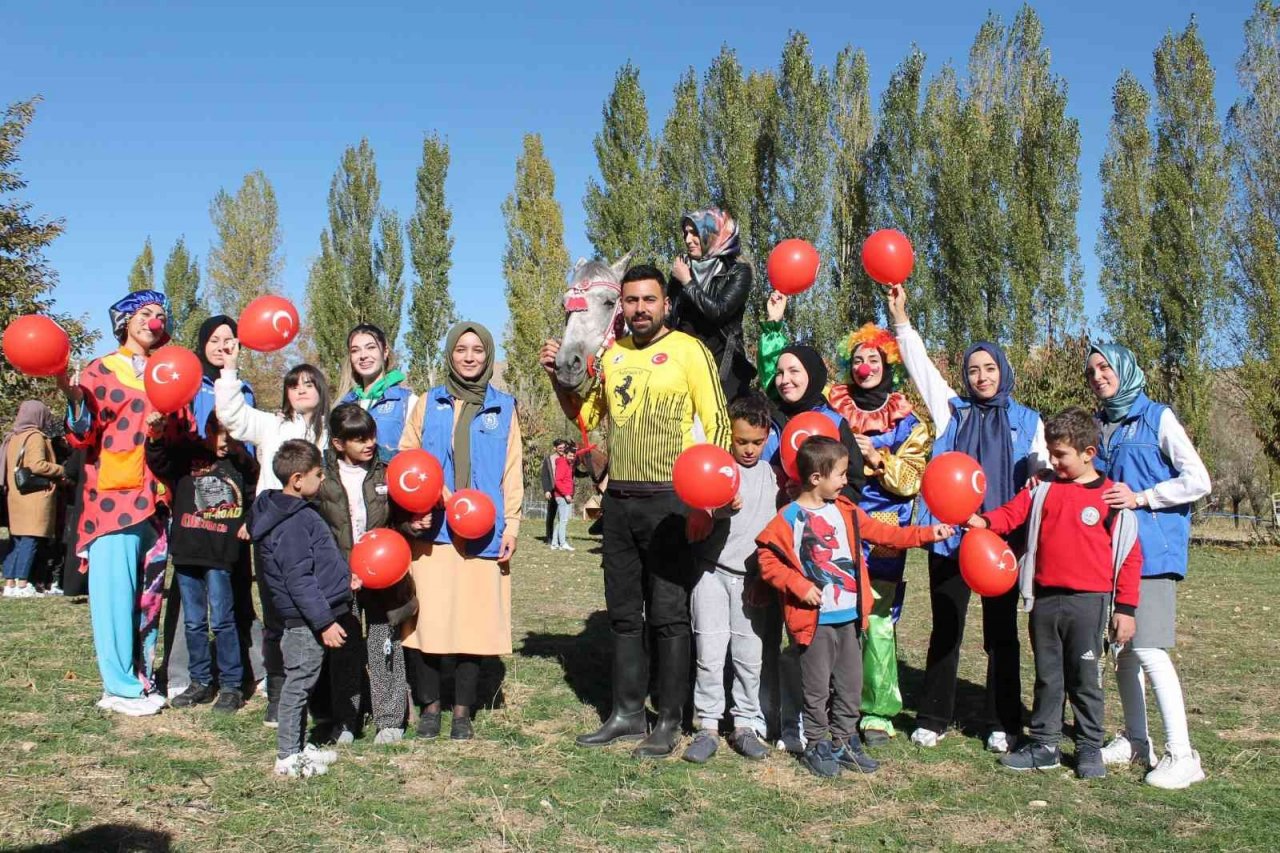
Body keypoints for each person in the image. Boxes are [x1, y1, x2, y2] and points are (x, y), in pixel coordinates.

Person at [541, 264, 731, 759]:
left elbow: (718, 426)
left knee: (668, 615)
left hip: (672, 502)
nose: (640, 309)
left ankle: (668, 719)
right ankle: (627, 714)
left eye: (649, 300)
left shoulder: (691, 351)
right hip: (619, 502)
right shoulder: (614, 357)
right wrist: (559, 382)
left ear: (665, 303)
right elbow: (587, 417)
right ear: (620, 308)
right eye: (631, 301)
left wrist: (708, 503)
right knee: (625, 616)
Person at [887, 284, 1047, 753]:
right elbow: (920, 368)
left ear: (1004, 372)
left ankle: (1003, 721)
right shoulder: (950, 410)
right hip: (950, 539)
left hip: (1001, 540)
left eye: (989, 368)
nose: (981, 377)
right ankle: (934, 716)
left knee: (1001, 634)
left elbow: (1041, 470)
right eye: (974, 369)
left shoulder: (1028, 420)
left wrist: (1041, 480)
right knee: (947, 627)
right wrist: (900, 319)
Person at [757, 436, 953, 778]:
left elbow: (886, 535)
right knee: (816, 688)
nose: (847, 481)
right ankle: (817, 743)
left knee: (850, 683)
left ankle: (844, 741)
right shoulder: (788, 518)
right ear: (816, 478)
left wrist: (926, 534)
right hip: (814, 622)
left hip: (849, 618)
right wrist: (800, 586)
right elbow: (768, 561)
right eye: (842, 475)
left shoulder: (846, 512)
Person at [967, 407, 1142, 779]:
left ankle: (1088, 747)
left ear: (1088, 453)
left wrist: (1125, 608)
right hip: (1044, 601)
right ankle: (1044, 744)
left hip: (1089, 604)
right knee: (1048, 676)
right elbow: (1011, 515)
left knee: (1085, 678)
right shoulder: (1042, 489)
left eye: (1060, 454)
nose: (1053, 461)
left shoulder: (1111, 500)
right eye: (1050, 452)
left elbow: (1129, 556)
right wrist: (983, 522)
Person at [1086, 344, 1211, 789]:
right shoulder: (1101, 426)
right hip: (1113, 555)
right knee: (1123, 651)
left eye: (1105, 368)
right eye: (1092, 371)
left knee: (1150, 649)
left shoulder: (1159, 417)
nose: (1098, 376)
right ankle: (1138, 741)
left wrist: (1143, 498)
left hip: (1153, 554)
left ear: (1125, 370)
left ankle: (1183, 753)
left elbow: (1198, 479)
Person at [57, 289, 187, 716]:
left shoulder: (169, 372)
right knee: (114, 594)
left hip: (156, 497)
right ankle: (118, 686)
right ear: (125, 322)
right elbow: (81, 436)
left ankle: (142, 676)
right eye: (145, 313)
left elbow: (179, 435)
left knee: (147, 595)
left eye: (160, 315)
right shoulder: (100, 370)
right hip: (112, 497)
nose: (155, 321)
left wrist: (161, 431)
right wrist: (74, 399)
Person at [399, 321, 522, 741]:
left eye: (477, 350)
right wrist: (423, 501)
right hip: (433, 533)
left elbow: (512, 471)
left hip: (484, 533)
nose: (469, 357)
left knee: (474, 623)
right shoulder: (428, 402)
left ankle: (463, 712)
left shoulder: (504, 407)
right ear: (449, 353)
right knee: (427, 623)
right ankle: (430, 707)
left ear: (488, 356)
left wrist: (514, 524)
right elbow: (405, 457)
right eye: (461, 349)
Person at [827, 324, 932, 745]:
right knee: (835, 613)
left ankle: (877, 711)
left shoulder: (908, 420)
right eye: (857, 360)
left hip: (886, 530)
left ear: (888, 364)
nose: (864, 367)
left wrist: (879, 456)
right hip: (837, 522)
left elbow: (912, 480)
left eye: (873, 359)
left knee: (878, 619)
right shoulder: (833, 409)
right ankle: (835, 699)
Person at [216, 347, 331, 727]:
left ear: (322, 390)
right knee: (279, 617)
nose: (301, 390)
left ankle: (319, 695)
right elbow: (231, 417)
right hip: (275, 536)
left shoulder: (331, 430)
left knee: (320, 612)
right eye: (293, 384)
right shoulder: (271, 425)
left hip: (321, 531)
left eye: (309, 383)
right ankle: (279, 693)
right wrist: (230, 369)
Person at [162, 314, 261, 702]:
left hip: (228, 517)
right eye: (215, 339)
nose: (223, 345)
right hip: (190, 514)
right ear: (202, 343)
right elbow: (168, 448)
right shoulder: (186, 385)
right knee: (191, 611)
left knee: (231, 601)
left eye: (230, 340)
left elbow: (248, 454)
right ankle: (189, 676)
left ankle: (238, 677)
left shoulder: (244, 389)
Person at [682, 393, 776, 764]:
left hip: (751, 582)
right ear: (729, 436)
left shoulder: (772, 478)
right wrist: (716, 512)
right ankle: (706, 725)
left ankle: (745, 724)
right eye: (741, 441)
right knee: (709, 652)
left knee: (749, 657)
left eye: (757, 442)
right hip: (711, 575)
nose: (749, 450)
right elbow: (695, 528)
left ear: (767, 437)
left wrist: (766, 577)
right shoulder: (713, 472)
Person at [315, 404, 417, 745]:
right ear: (339, 443)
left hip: (382, 577)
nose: (369, 444)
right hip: (339, 578)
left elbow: (398, 518)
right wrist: (338, 571)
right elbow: (317, 529)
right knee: (344, 650)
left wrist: (412, 524)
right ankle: (346, 720)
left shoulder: (385, 472)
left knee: (384, 643)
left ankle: (390, 719)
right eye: (359, 439)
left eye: (371, 435)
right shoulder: (322, 478)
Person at [144, 410, 258, 714]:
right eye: (221, 433)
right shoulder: (186, 455)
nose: (225, 441)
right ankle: (200, 681)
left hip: (221, 555)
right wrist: (154, 437)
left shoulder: (241, 463)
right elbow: (159, 461)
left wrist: (248, 521)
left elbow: (253, 492)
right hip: (187, 552)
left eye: (232, 434)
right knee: (194, 622)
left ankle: (232, 684)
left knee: (223, 620)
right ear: (207, 430)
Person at [250, 440, 352, 778]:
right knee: (299, 684)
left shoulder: (295, 512)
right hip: (304, 622)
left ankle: (296, 745)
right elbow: (299, 578)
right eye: (317, 474)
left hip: (310, 617)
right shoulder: (292, 522)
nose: (322, 479)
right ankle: (287, 757)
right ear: (297, 479)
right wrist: (324, 622)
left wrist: (342, 583)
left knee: (306, 680)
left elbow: (316, 568)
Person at [668, 208, 756, 401]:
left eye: (695, 233)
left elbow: (719, 311)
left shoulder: (738, 271)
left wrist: (688, 282)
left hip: (722, 366)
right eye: (686, 233)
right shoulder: (681, 270)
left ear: (713, 235)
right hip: (684, 365)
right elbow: (670, 319)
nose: (688, 239)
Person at [2, 402, 65, 598]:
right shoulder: (35, 436)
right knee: (31, 539)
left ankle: (10, 583)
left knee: (17, 539)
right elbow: (37, 465)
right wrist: (62, 470)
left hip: (16, 496)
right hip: (34, 496)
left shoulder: (13, 436)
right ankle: (23, 584)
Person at [337, 324, 418, 462]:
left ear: (385, 351)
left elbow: (417, 454)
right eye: (355, 350)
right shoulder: (344, 404)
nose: (363, 356)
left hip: (389, 481)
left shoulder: (407, 401)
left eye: (371, 347)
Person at [549, 440, 576, 552]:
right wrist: (566, 494)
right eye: (570, 456)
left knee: (561, 521)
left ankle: (554, 544)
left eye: (573, 456)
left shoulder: (567, 464)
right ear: (565, 454)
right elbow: (558, 482)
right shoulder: (562, 464)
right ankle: (563, 543)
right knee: (564, 520)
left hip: (564, 495)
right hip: (562, 496)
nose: (572, 458)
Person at [540, 440, 565, 545]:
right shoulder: (549, 459)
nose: (562, 450)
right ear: (555, 448)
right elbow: (544, 476)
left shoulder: (567, 458)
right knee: (551, 515)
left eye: (564, 447)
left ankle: (560, 538)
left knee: (563, 516)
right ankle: (549, 537)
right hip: (553, 490)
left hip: (564, 491)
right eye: (560, 448)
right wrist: (546, 490)